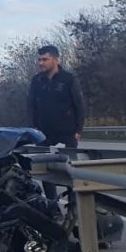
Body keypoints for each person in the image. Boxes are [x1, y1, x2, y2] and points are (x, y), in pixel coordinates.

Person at [27, 44, 86, 198]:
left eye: (44, 59)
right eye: (39, 60)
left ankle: (74, 202)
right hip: (44, 132)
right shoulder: (37, 80)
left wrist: (79, 130)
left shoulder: (68, 79)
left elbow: (79, 105)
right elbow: (31, 106)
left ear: (55, 60)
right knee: (45, 170)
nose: (41, 63)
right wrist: (34, 129)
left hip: (67, 131)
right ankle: (52, 203)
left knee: (71, 169)